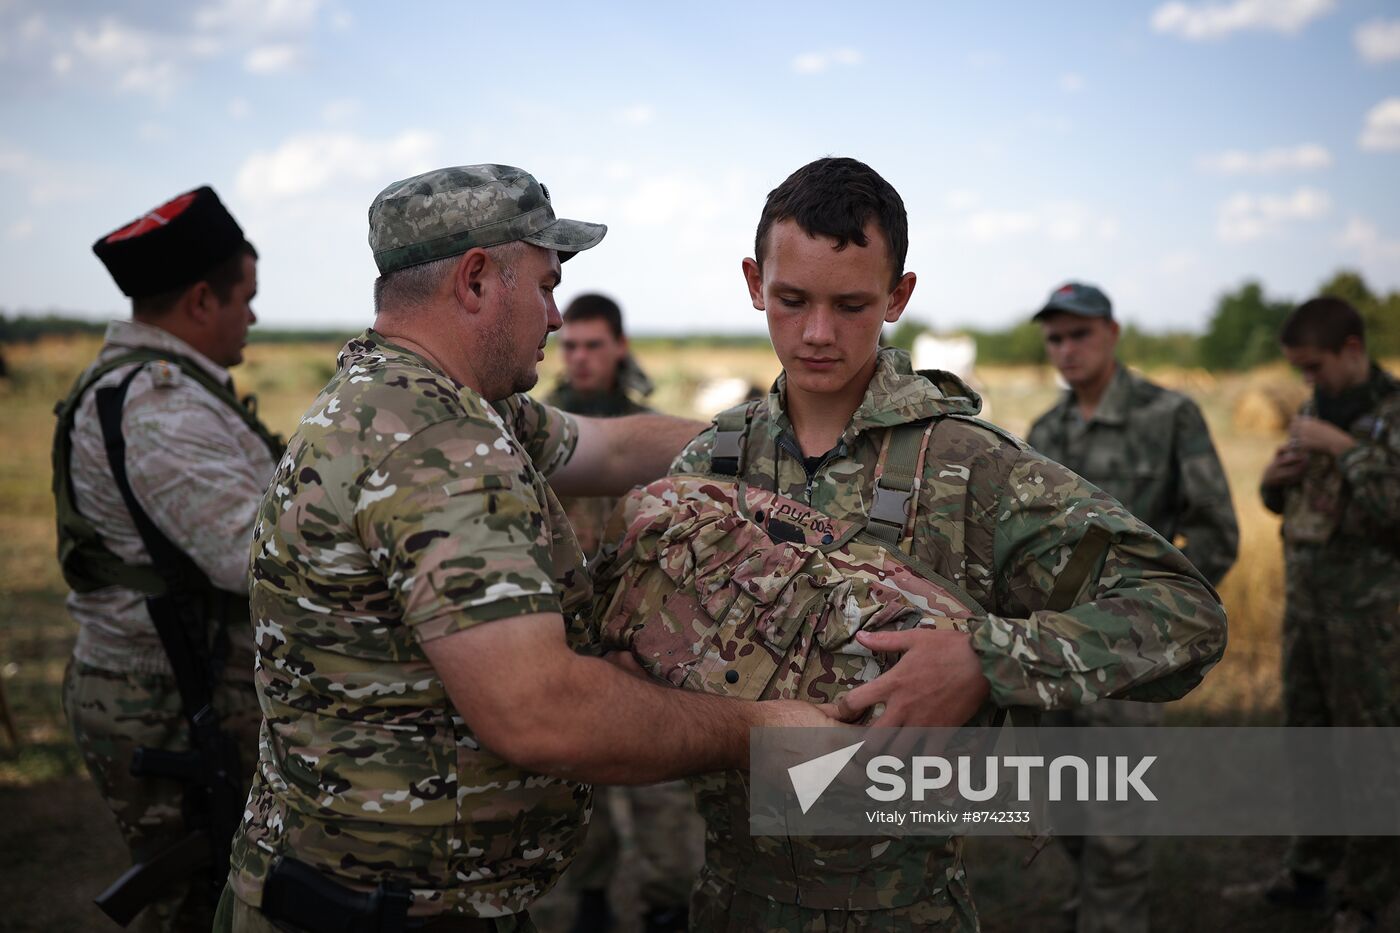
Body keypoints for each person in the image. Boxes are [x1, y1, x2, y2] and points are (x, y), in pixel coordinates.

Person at [587, 157, 1229, 930]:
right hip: (730, 900)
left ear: (899, 296)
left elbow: (1186, 615)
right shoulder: (712, 463)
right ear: (755, 283)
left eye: (852, 304)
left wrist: (986, 659)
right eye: (791, 300)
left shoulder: (970, 466)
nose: (818, 333)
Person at [216, 163, 833, 933]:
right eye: (545, 285)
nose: (552, 316)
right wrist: (765, 729)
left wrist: (785, 447)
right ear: (476, 280)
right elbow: (540, 713)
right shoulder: (434, 442)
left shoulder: (426, 395)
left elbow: (606, 449)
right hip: (390, 909)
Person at [54, 186, 280, 932]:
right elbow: (253, 555)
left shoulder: (172, 388)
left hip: (173, 685)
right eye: (244, 296)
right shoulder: (162, 406)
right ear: (200, 301)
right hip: (165, 697)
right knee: (193, 900)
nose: (253, 313)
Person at [1026, 281, 1238, 933]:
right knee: (1065, 805)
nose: (1067, 349)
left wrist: (1157, 607)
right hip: (1054, 648)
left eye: (1080, 333)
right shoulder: (1046, 429)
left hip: (1130, 654)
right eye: (1055, 338)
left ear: (1113, 333)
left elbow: (1214, 529)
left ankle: (1110, 913)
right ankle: (1091, 900)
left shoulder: (1169, 414)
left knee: (1117, 820)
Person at [1229, 296, 1400, 933]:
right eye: (1298, 370)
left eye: (1315, 366)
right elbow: (1293, 505)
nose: (1307, 381)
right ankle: (1311, 869)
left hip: (1375, 622)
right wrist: (1276, 477)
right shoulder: (1316, 408)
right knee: (1309, 743)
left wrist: (1344, 448)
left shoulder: (1389, 413)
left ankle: (1367, 893)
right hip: (1308, 612)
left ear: (1353, 350)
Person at [545, 295, 701, 933]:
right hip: (565, 652)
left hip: (644, 654)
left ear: (620, 347)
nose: (580, 358)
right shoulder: (540, 436)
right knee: (582, 816)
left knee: (662, 805)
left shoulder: (646, 438)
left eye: (593, 345)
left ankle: (666, 909)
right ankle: (591, 909)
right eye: (571, 345)